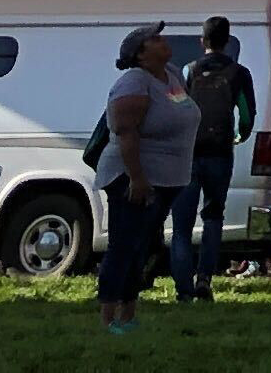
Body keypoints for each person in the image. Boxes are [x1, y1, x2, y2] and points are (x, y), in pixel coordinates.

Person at [95, 25, 199, 329]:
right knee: (124, 246)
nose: (163, 41)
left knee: (142, 247)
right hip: (133, 178)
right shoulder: (134, 82)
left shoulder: (172, 75)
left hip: (167, 178)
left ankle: (128, 314)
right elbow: (125, 131)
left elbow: (180, 111)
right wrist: (137, 178)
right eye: (154, 39)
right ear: (140, 55)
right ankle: (108, 318)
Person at [176, 17, 255, 301]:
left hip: (189, 153)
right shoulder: (239, 73)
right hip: (220, 153)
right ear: (227, 41)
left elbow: (178, 109)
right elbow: (246, 115)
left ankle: (183, 289)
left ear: (203, 41)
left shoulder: (189, 70)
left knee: (182, 226)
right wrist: (239, 137)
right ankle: (204, 279)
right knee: (212, 217)